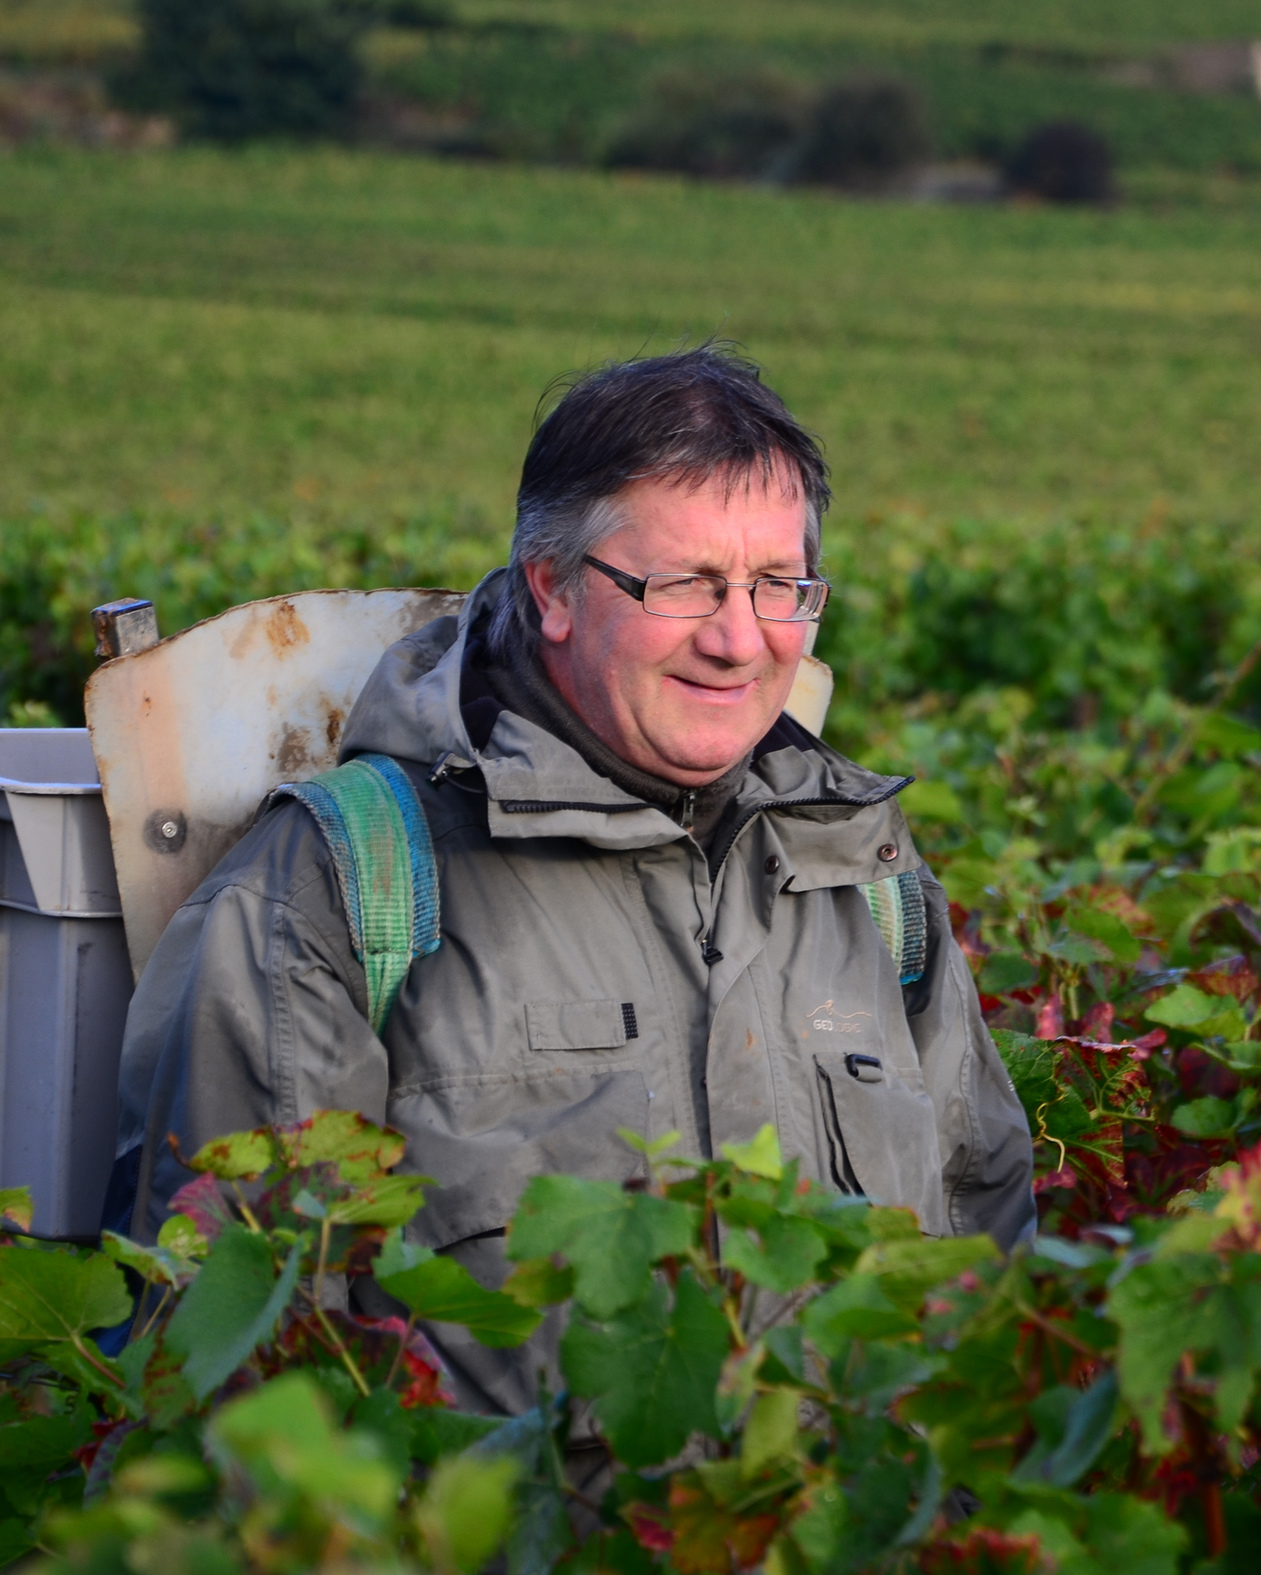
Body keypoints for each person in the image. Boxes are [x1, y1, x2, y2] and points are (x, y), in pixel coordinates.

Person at [112, 345, 1035, 1416]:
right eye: (685, 584)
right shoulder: (342, 886)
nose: (741, 642)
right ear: (552, 587)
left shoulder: (860, 873)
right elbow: (243, 1369)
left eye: (779, 586)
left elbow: (980, 1264)